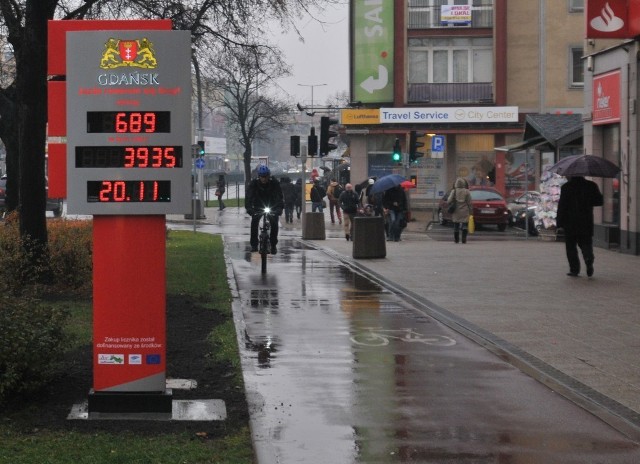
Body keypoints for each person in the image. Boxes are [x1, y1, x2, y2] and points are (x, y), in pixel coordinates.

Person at [556, 176, 604, 277]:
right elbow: (599, 201)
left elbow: (562, 206)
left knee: (571, 247)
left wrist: (559, 223)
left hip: (570, 222)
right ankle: (588, 258)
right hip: (586, 221)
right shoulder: (591, 186)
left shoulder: (566, 187)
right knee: (586, 242)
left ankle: (574, 269)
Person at [245, 165, 284, 254]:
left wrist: (279, 208)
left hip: (272, 205)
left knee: (274, 223)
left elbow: (279, 197)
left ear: (268, 176)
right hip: (258, 205)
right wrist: (250, 209)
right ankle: (254, 245)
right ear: (259, 176)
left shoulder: (274, 183)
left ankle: (273, 245)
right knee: (254, 222)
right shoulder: (254, 184)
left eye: (265, 176)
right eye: (262, 176)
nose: (264, 179)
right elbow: (249, 197)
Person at [447, 177, 473, 244]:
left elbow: (448, 201)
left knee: (456, 225)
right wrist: (471, 212)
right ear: (463, 184)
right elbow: (470, 203)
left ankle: (456, 240)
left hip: (456, 211)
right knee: (465, 225)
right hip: (465, 210)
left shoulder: (454, 191)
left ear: (456, 184)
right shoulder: (467, 191)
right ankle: (464, 239)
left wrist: (452, 200)